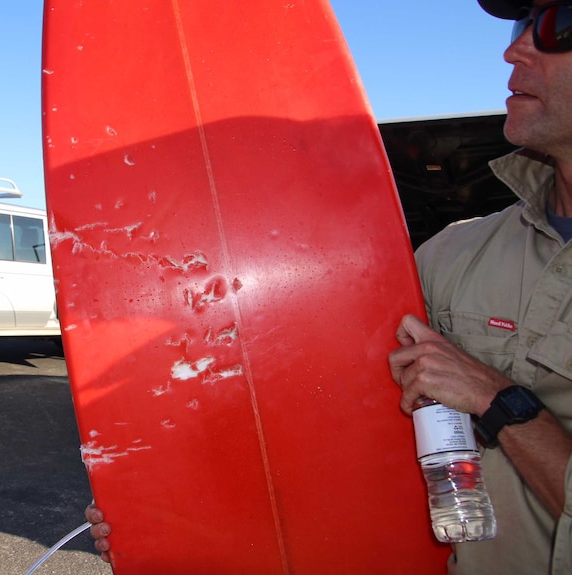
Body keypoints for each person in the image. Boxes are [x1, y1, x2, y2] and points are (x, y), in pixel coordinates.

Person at [87, 1, 572, 572]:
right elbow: (327, 412)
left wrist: (499, 402)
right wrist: (176, 504)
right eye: (521, 26)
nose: (514, 50)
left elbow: (478, 401)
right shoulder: (454, 254)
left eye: (557, 25)